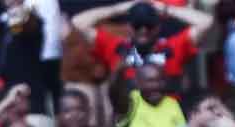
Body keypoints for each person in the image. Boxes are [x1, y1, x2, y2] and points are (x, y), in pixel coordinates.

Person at [72, 0, 213, 90]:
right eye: (138, 25)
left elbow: (206, 22)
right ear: (129, 27)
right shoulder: (117, 48)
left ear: (157, 27)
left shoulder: (171, 48)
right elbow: (78, 22)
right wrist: (119, 8)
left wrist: (165, 9)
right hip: (130, 124)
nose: (143, 30)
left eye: (149, 25)